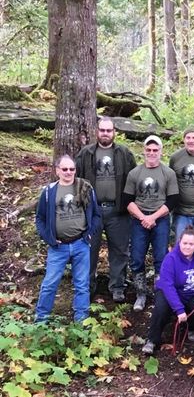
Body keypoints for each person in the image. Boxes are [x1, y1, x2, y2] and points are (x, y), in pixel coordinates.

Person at [75, 117, 136, 302]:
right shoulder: (85, 154)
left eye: (109, 130)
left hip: (118, 212)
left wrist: (130, 205)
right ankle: (88, 286)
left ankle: (117, 287)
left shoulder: (124, 153)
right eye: (102, 130)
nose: (105, 133)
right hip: (92, 212)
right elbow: (75, 181)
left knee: (119, 250)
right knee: (89, 250)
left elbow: (133, 181)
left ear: (114, 132)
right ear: (97, 131)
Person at [35, 155, 101, 322]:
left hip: (81, 244)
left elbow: (96, 215)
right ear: (57, 171)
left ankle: (81, 321)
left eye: (72, 169)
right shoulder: (49, 192)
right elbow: (40, 218)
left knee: (82, 284)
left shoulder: (84, 188)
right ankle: (41, 320)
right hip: (58, 247)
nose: (68, 172)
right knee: (50, 284)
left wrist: (89, 233)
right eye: (64, 169)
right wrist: (48, 238)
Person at [123, 135, 179, 312]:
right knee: (137, 258)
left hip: (160, 220)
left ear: (161, 152)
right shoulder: (135, 173)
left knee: (161, 259)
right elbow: (127, 199)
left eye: (155, 150)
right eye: (149, 150)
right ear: (144, 151)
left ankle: (159, 294)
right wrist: (143, 218)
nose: (152, 153)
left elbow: (172, 200)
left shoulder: (168, 173)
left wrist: (153, 217)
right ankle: (141, 293)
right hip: (139, 220)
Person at [142, 226, 194, 354]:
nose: (187, 247)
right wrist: (179, 309)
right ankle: (152, 340)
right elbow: (167, 285)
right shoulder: (171, 258)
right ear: (179, 242)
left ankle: (192, 328)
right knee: (161, 307)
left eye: (191, 244)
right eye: (184, 243)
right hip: (171, 293)